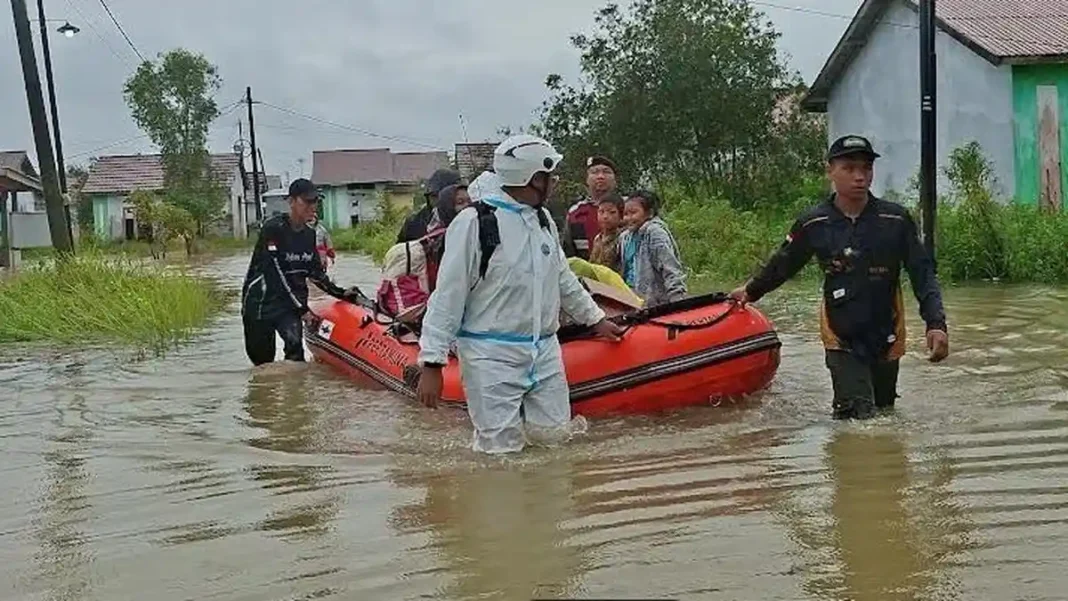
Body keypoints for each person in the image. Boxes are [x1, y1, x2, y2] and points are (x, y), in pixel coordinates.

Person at [416, 134, 625, 454]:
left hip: (544, 351)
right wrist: (432, 362)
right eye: (550, 176)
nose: (555, 182)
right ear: (532, 178)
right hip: (490, 356)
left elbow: (562, 278)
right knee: (499, 452)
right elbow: (448, 296)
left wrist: (596, 319)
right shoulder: (474, 223)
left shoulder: (542, 220)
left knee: (556, 441)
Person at [729, 135, 950, 420]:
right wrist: (751, 291)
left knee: (884, 413)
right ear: (830, 170)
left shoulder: (895, 220)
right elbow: (783, 264)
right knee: (857, 417)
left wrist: (936, 323)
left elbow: (923, 273)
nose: (860, 176)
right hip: (840, 332)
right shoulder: (814, 222)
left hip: (887, 330)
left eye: (866, 168)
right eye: (849, 168)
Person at [241, 178, 361, 366]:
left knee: (295, 353)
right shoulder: (273, 229)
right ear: (291, 201)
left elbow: (316, 274)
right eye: (307, 201)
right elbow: (275, 274)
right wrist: (302, 309)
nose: (313, 206)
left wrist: (341, 293)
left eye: (315, 201)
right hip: (260, 305)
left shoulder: (309, 234)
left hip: (289, 307)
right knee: (263, 365)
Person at [375, 183, 471, 319]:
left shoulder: (479, 235)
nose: (467, 207)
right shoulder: (438, 242)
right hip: (437, 314)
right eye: (460, 202)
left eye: (470, 202)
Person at [619, 190, 688, 307]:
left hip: (657, 302)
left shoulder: (655, 233)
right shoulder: (625, 238)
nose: (628, 218)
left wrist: (678, 301)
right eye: (626, 214)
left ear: (649, 213)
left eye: (633, 213)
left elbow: (670, 267)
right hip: (634, 300)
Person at [562, 155, 618, 260]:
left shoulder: (628, 209)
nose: (600, 176)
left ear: (615, 180)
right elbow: (568, 252)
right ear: (586, 180)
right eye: (595, 172)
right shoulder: (575, 212)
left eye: (606, 172)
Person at [397, 168, 463, 243]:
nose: (437, 201)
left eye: (440, 197)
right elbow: (400, 248)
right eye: (433, 196)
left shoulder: (465, 220)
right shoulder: (414, 223)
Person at [588, 192, 625, 273]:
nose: (605, 216)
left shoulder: (623, 239)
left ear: (621, 215)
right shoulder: (598, 238)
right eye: (601, 212)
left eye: (612, 212)